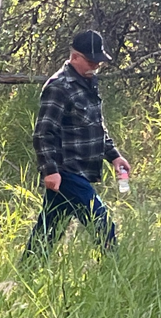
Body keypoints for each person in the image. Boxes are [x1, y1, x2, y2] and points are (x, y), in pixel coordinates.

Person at [23, 30, 131, 260]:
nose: (95, 66)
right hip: (66, 171)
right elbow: (44, 132)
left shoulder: (89, 82)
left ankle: (26, 272)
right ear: (75, 57)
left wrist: (114, 156)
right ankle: (116, 271)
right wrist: (50, 171)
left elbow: (95, 127)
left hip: (82, 170)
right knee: (103, 224)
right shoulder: (58, 86)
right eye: (91, 61)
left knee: (48, 230)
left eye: (98, 61)